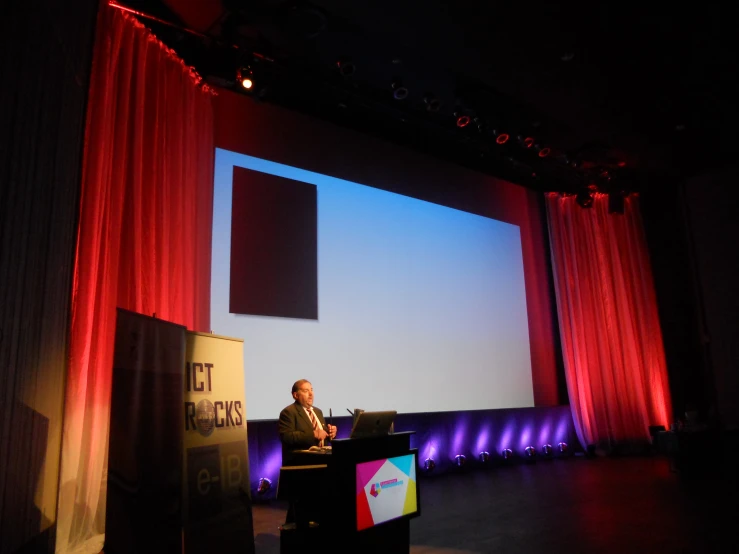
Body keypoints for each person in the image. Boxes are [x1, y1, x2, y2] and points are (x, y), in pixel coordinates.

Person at [278, 379, 338, 465]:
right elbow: (287, 437)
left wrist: (331, 433)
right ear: (295, 395)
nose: (311, 394)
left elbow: (322, 435)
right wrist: (314, 434)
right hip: (301, 464)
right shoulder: (288, 412)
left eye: (311, 390)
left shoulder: (318, 411)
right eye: (306, 391)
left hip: (323, 462)